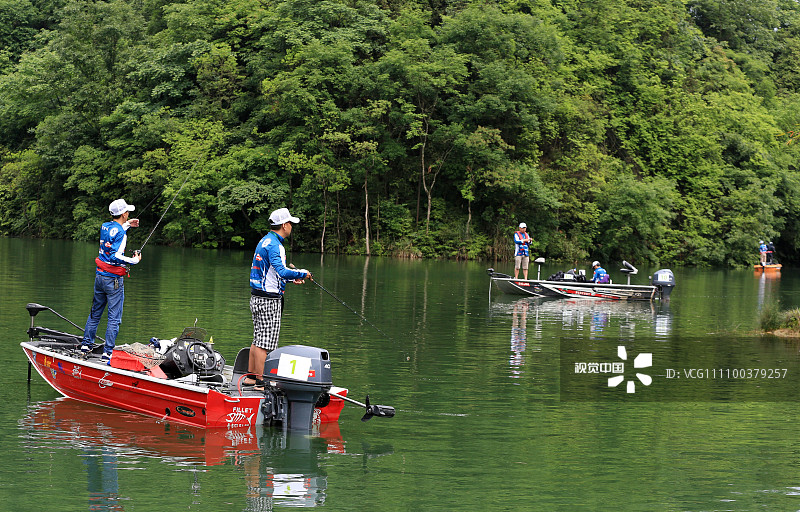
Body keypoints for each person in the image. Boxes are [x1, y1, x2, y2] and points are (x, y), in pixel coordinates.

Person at [246, 207, 311, 387]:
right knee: (264, 343)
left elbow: (271, 273)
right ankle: (261, 381)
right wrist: (302, 273)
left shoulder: (264, 241)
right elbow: (281, 271)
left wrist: (291, 279)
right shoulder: (276, 245)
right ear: (284, 225)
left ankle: (251, 377)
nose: (291, 227)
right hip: (269, 300)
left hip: (257, 297)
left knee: (258, 339)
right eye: (290, 223)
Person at [80, 199, 142, 364]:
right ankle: (107, 354)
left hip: (99, 276)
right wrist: (134, 260)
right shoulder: (121, 234)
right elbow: (115, 255)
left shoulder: (105, 226)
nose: (129, 213)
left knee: (95, 313)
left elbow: (112, 236)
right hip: (113, 280)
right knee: (114, 318)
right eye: (127, 212)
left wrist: (127, 224)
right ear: (123, 213)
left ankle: (86, 346)